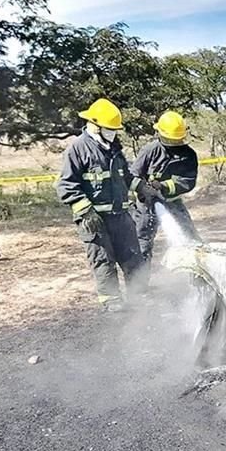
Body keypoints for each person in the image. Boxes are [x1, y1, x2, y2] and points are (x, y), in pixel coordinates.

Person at [57, 98, 145, 312]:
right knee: (103, 260)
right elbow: (66, 185)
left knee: (133, 256)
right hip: (95, 220)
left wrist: (142, 187)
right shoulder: (77, 149)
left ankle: (139, 297)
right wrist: (86, 211)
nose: (113, 133)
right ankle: (111, 302)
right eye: (109, 129)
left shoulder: (113, 148)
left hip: (121, 216)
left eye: (115, 130)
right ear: (95, 125)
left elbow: (125, 176)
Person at [130, 110, 200, 269]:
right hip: (146, 204)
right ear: (159, 133)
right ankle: (140, 285)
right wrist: (142, 187)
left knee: (191, 238)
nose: (174, 144)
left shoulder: (189, 155)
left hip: (172, 202)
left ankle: (197, 278)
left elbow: (188, 181)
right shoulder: (150, 150)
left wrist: (163, 186)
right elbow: (132, 175)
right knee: (143, 243)